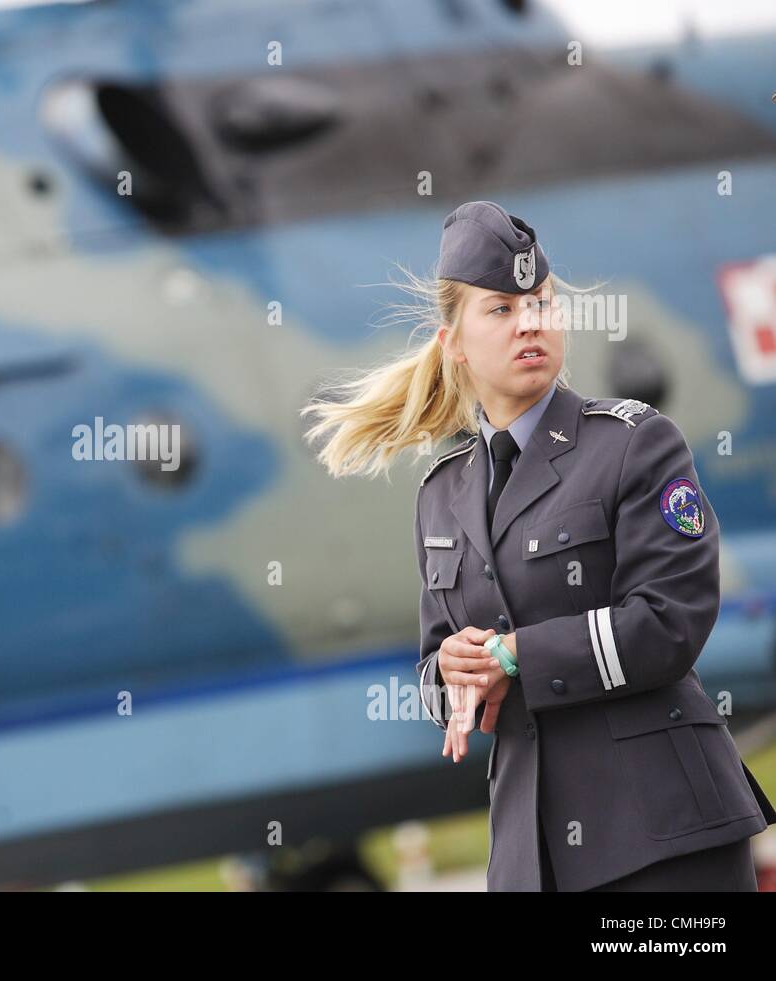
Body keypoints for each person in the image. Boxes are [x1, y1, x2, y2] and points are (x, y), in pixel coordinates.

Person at [301, 200, 776, 891]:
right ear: (453, 342)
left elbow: (669, 623)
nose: (530, 321)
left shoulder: (634, 443)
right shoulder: (443, 489)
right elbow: (440, 667)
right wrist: (454, 673)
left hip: (665, 840)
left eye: (541, 302)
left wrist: (514, 653)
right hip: (533, 856)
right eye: (501, 309)